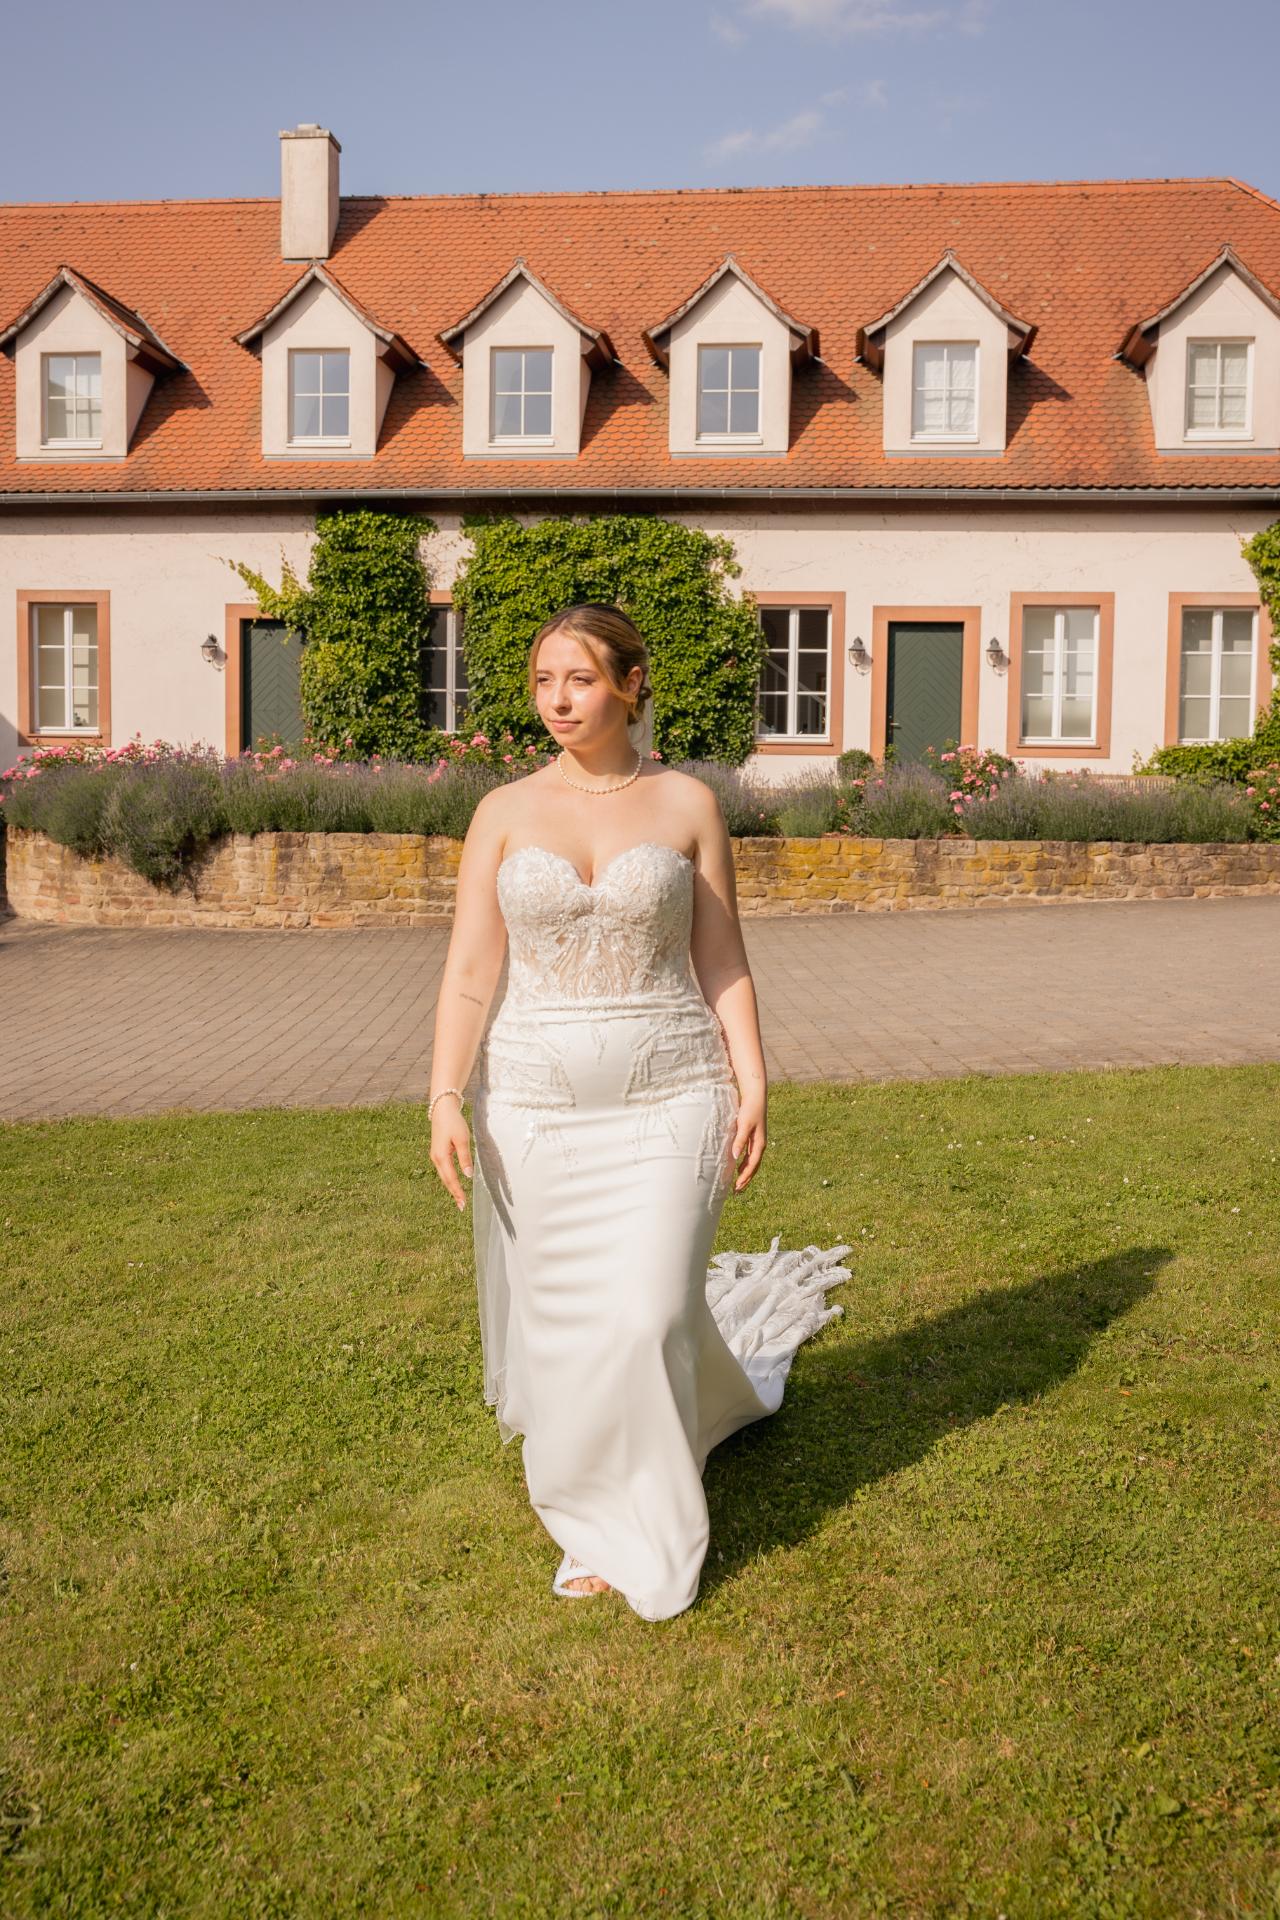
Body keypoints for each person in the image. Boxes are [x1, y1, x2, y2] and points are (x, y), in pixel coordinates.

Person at [428, 602, 850, 1620]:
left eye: (576, 678)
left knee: (650, 1310)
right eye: (540, 682)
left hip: (672, 1093)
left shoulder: (686, 804)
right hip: (532, 1105)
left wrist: (753, 1078)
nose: (556, 700)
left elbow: (720, 958)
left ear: (628, 681)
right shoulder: (501, 812)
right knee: (570, 1327)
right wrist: (444, 1091)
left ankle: (657, 1523)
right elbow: (471, 973)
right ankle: (586, 1516)